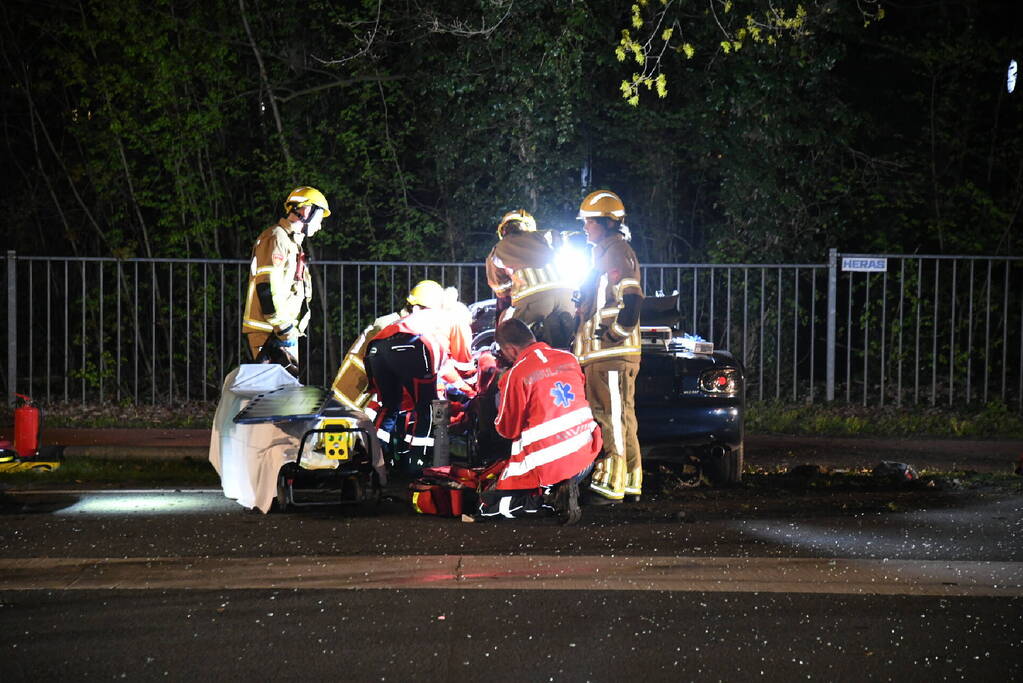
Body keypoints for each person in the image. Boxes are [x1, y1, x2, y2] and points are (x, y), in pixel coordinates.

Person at [477, 319, 601, 525]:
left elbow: (507, 429)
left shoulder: (515, 375)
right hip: (586, 454)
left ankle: (549, 498)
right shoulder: (569, 358)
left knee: (491, 507)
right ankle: (563, 486)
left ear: (510, 349)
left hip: (547, 464)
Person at [573, 190, 644, 504]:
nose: (586, 226)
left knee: (610, 416)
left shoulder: (614, 251)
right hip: (608, 353)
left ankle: (609, 485)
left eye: (589, 221)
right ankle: (629, 481)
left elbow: (632, 297)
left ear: (604, 222)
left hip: (610, 353)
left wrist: (615, 333)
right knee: (623, 415)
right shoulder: (606, 251)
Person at [364, 281, 475, 469]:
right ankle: (418, 464)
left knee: (390, 406)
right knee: (428, 410)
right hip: (414, 348)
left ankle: (375, 460)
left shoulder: (411, 321)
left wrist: (466, 388)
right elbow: (463, 363)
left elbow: (446, 369)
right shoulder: (455, 321)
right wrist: (475, 385)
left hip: (376, 348)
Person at [242, 186, 330, 375]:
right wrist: (283, 327)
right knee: (271, 396)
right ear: (306, 211)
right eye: (319, 218)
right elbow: (265, 286)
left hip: (281, 330)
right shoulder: (276, 237)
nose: (320, 225)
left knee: (283, 395)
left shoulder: (291, 242)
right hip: (270, 331)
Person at [485, 209, 575, 346]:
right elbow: (572, 241)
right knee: (577, 332)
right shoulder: (548, 235)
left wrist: (514, 282)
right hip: (568, 296)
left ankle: (515, 362)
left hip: (531, 301)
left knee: (509, 334)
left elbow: (500, 289)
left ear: (503, 231)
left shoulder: (497, 251)